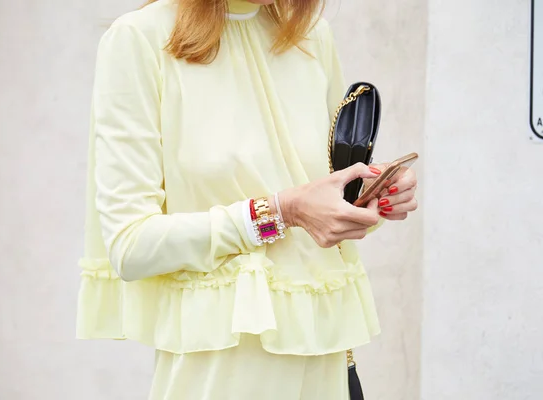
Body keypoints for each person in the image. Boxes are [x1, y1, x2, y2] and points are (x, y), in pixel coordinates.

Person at [76, 0, 419, 398]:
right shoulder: (140, 39)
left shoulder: (310, 36)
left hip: (324, 362)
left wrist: (375, 195)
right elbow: (130, 245)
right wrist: (279, 211)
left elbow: (327, 202)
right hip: (220, 372)